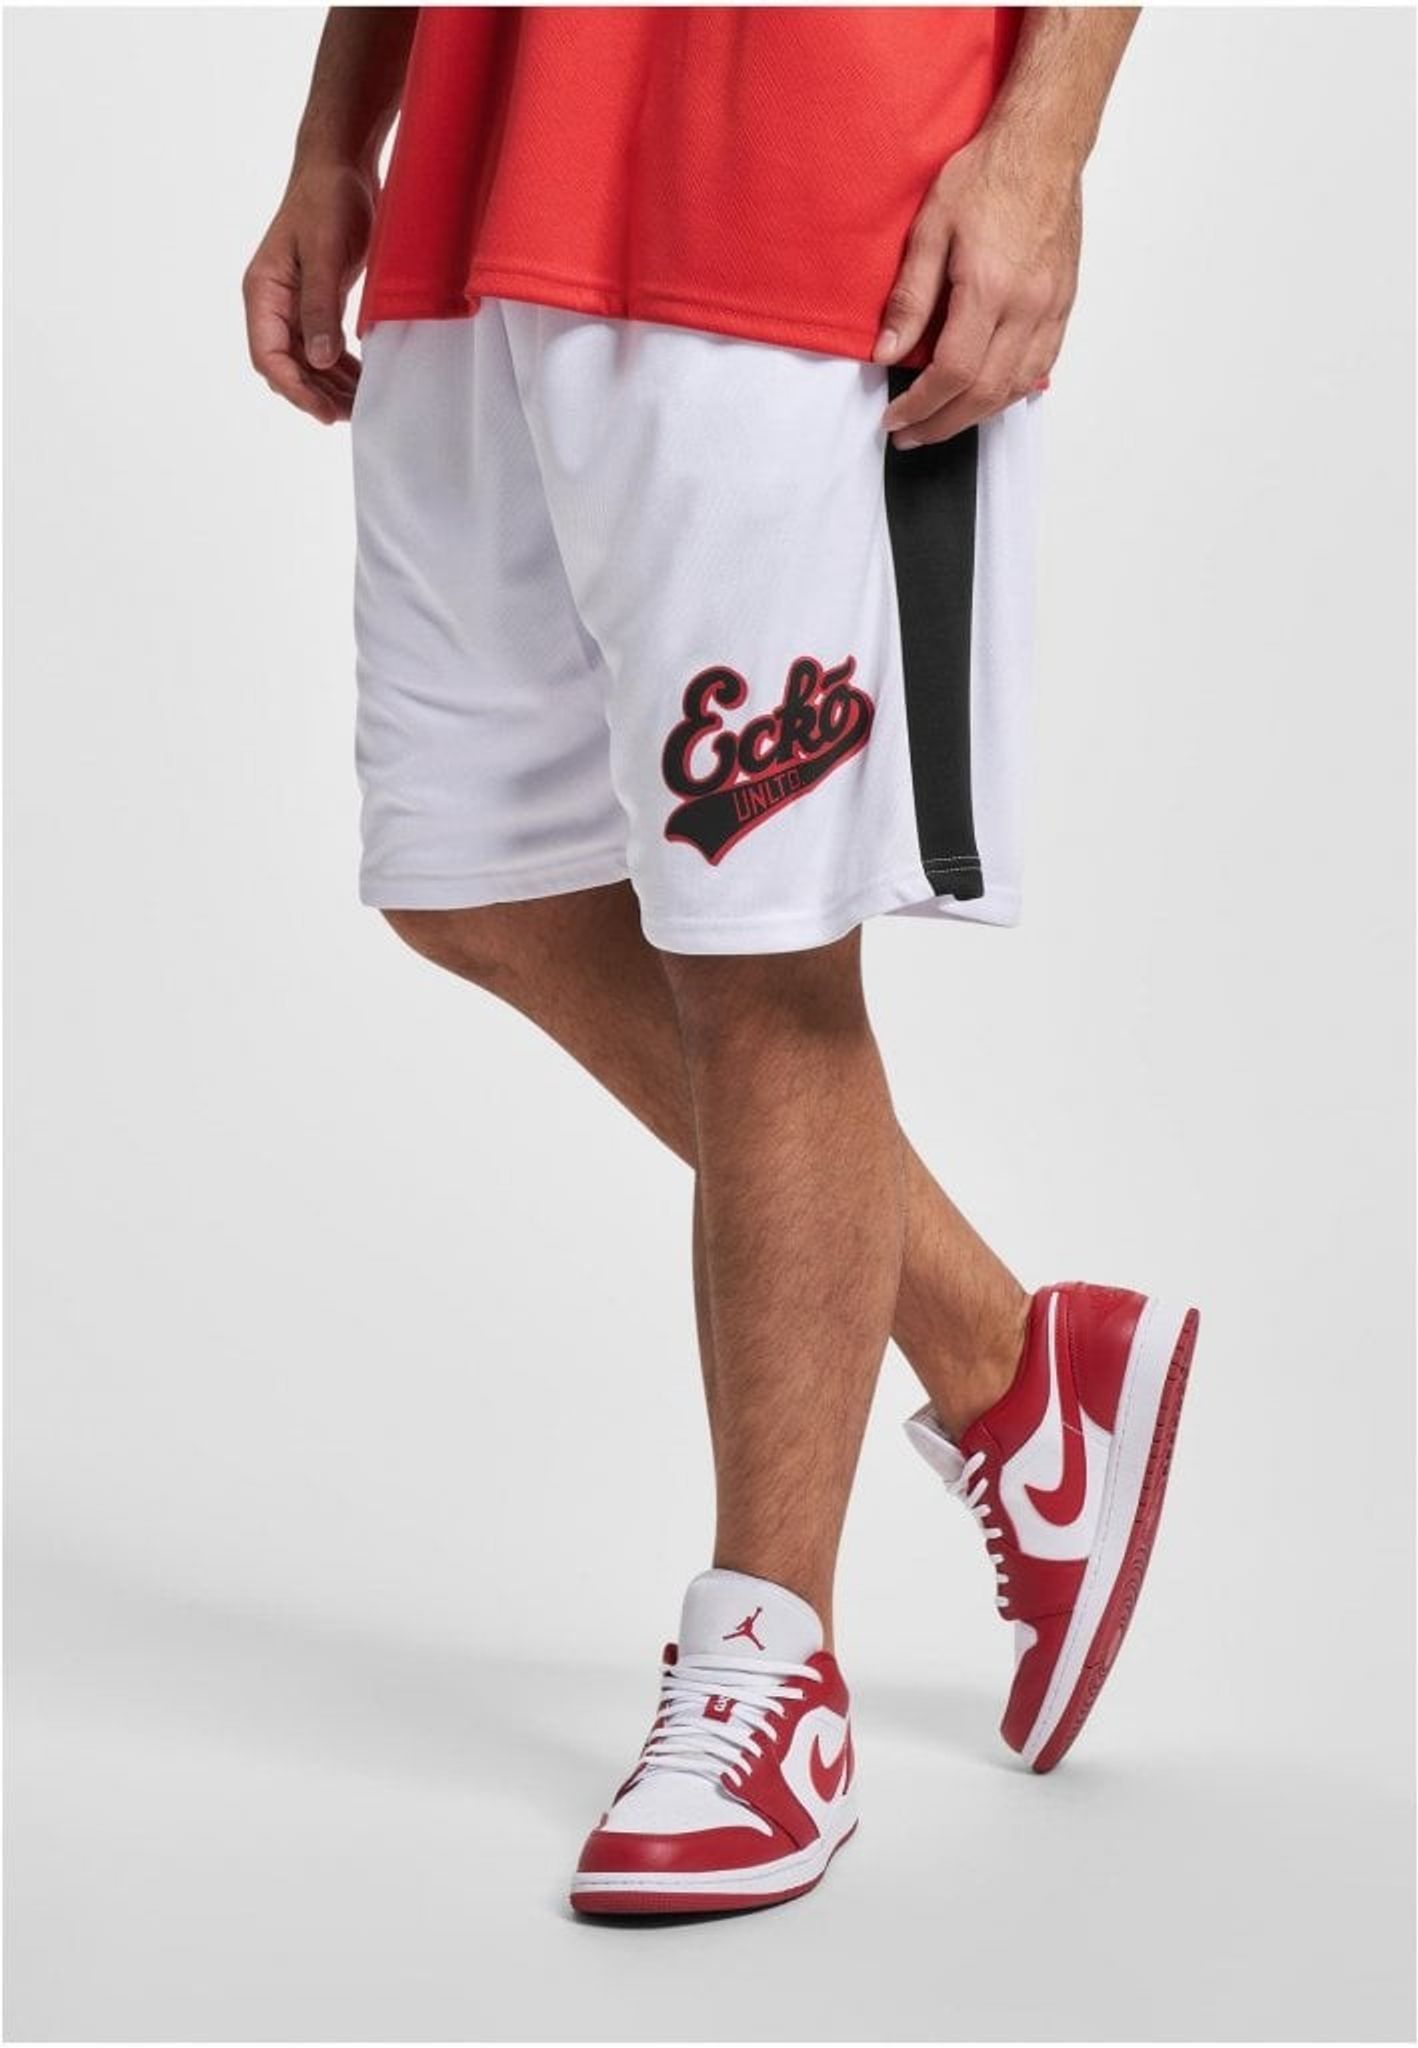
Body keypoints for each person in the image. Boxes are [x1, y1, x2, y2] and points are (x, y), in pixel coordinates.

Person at [245, 4, 1198, 1918]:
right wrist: (335, 136)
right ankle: (1013, 1371)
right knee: (469, 883)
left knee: (757, 960)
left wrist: (1040, 152)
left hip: (800, 206)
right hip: (473, 199)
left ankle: (772, 1668)